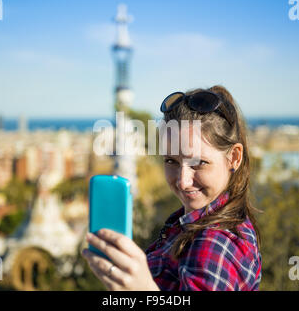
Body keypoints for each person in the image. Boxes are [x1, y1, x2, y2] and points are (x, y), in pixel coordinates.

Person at [82, 85, 262, 291]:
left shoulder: (215, 244)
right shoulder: (193, 224)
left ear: (234, 157)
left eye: (199, 163)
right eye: (171, 161)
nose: (183, 181)